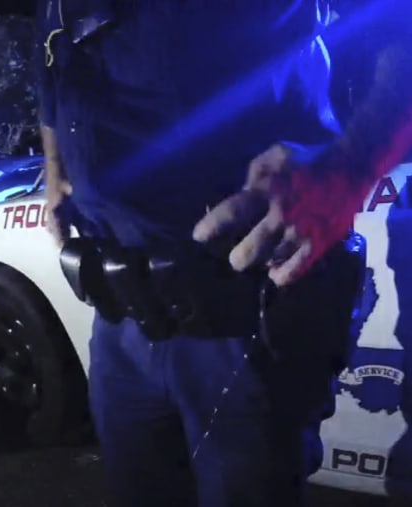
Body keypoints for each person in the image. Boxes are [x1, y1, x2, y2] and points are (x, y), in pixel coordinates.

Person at [37, 0, 411, 506]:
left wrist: (346, 169)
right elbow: (54, 60)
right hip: (119, 322)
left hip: (243, 305)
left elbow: (397, 25)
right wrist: (56, 169)